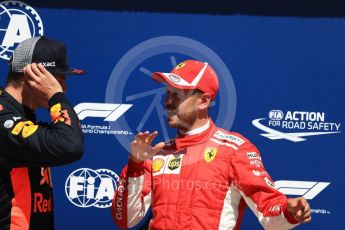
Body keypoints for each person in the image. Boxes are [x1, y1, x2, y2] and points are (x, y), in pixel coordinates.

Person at [112, 60, 311, 229]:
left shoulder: (234, 149)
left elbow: (269, 212)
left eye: (177, 95)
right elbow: (126, 220)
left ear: (204, 101)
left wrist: (288, 211)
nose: (167, 102)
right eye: (167, 94)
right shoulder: (157, 153)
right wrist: (135, 165)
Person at [0, 36, 86, 230]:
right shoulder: (3, 120)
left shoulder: (21, 116)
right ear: (33, 76)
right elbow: (69, 145)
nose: (64, 87)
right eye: (60, 78)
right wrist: (56, 97)